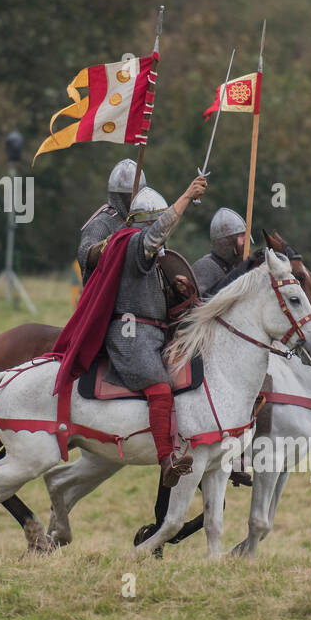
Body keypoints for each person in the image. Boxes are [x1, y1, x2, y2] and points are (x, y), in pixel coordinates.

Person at [103, 177, 207, 485]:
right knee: (161, 390)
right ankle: (166, 461)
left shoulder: (152, 257)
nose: (162, 235)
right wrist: (187, 195)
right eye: (156, 224)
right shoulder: (134, 242)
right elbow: (157, 233)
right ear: (147, 223)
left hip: (155, 336)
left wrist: (176, 290)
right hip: (131, 336)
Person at [78, 159, 146, 282]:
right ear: (117, 196)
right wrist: (111, 242)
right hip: (106, 295)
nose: (133, 200)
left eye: (136, 195)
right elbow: (86, 255)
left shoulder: (145, 223)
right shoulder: (101, 224)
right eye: (128, 196)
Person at [193, 207, 247, 299]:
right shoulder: (205, 266)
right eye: (242, 236)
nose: (245, 241)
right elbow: (199, 304)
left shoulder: (232, 268)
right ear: (228, 241)